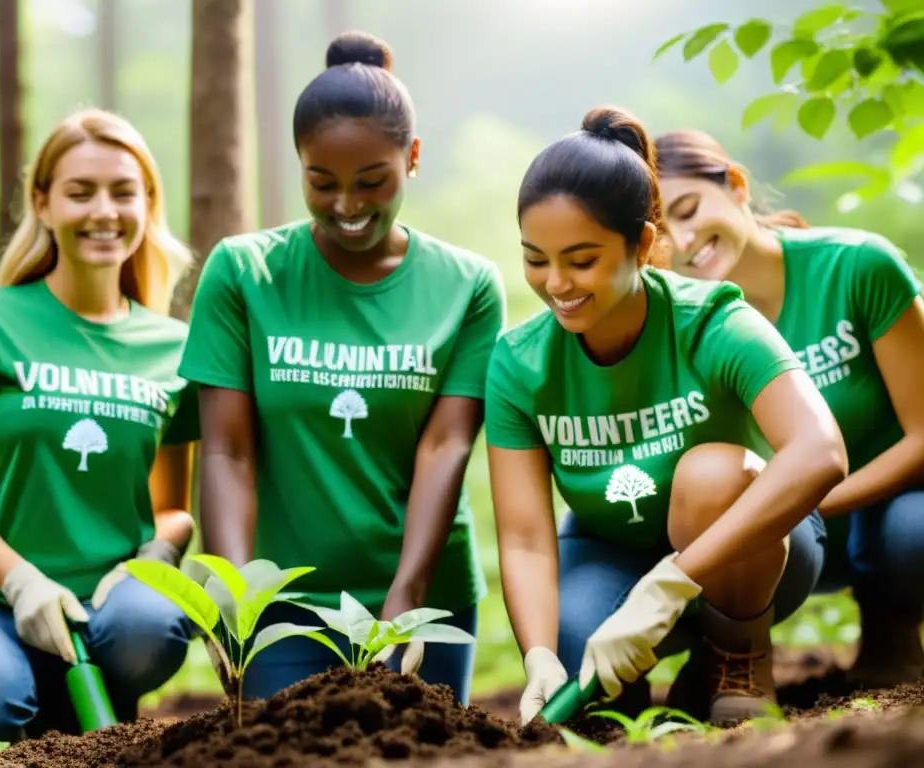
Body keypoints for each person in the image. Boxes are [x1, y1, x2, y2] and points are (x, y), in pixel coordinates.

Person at [485, 105, 849, 727]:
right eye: (536, 258)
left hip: (753, 553)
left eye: (581, 258)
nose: (557, 283)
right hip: (609, 548)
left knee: (712, 474)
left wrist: (671, 584)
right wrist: (540, 652)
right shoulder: (519, 363)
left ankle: (734, 654)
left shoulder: (712, 321)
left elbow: (822, 451)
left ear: (643, 245)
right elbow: (523, 535)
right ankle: (626, 682)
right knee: (582, 679)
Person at [177, 30, 505, 707]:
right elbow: (227, 450)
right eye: (321, 183)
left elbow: (446, 445)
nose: (347, 206)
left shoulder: (468, 286)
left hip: (418, 598)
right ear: (300, 165)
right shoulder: (245, 272)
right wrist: (237, 595)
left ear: (412, 159)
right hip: (283, 607)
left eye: (372, 182)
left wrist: (406, 597)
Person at [0, 107, 200, 745]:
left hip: (108, 606)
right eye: (80, 192)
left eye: (124, 192)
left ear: (147, 204)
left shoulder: (176, 350)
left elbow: (172, 508)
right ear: (42, 204)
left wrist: (153, 559)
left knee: (149, 627)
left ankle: (74, 702)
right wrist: (21, 582)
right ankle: (17, 689)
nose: (104, 210)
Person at [655, 128, 924, 689]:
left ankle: (892, 626)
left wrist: (808, 493)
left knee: (913, 532)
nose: (682, 241)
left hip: (892, 511)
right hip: (786, 536)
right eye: (660, 232)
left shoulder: (856, 266)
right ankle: (733, 654)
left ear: (736, 184)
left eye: (689, 209)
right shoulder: (680, 331)